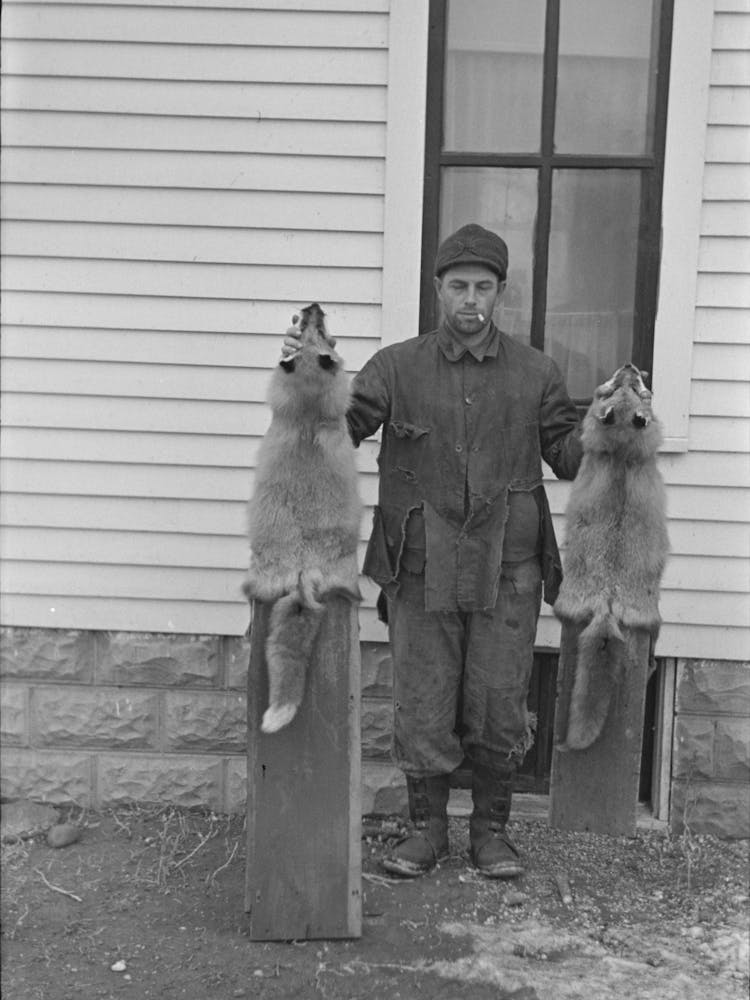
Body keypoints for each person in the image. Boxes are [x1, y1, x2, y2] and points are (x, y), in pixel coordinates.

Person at [284, 223, 583, 878]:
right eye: (458, 287)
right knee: (423, 697)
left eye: (482, 287)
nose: (470, 300)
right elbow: (341, 426)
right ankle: (425, 832)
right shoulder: (397, 366)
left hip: (511, 567)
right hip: (419, 564)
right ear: (438, 290)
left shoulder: (538, 372)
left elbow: (568, 454)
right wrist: (314, 376)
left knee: (500, 699)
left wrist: (616, 431)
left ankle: (491, 834)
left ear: (501, 291)